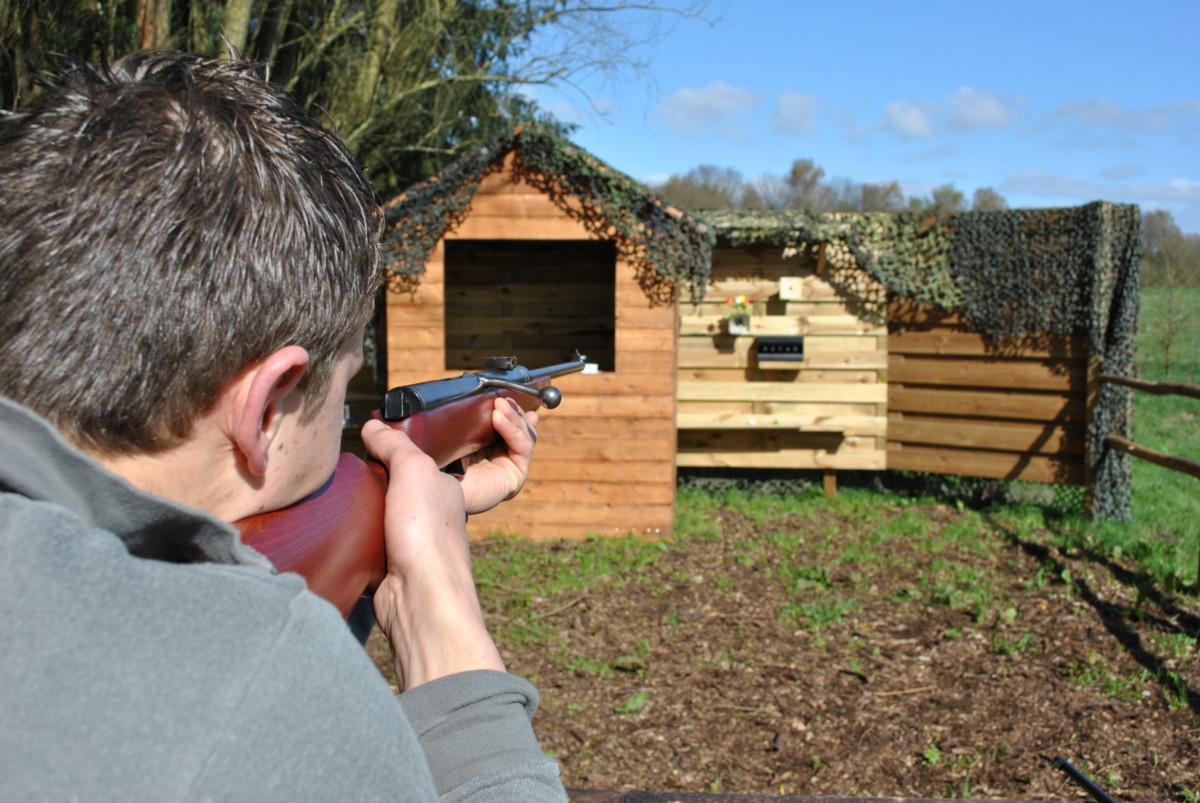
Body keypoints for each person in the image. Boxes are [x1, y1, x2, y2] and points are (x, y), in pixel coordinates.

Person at [0, 52, 566, 800]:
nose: (347, 422)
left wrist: (381, 532)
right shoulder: (256, 670)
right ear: (266, 406)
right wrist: (437, 598)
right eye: (344, 392)